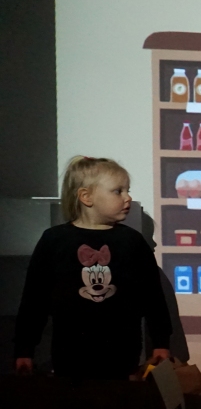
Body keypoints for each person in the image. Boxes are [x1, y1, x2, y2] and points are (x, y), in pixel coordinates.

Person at [14, 156, 171, 382]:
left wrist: (161, 342)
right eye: (118, 191)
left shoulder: (132, 241)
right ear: (86, 197)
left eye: (127, 191)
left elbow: (153, 297)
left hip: (123, 358)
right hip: (69, 358)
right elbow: (34, 299)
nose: (127, 198)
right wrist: (24, 349)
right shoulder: (54, 240)